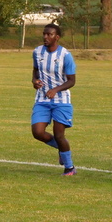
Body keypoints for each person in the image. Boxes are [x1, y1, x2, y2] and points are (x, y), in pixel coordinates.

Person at [31, 23, 77, 176]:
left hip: (61, 101)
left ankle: (69, 168)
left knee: (59, 135)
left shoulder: (65, 55)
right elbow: (35, 71)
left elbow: (72, 81)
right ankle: (61, 148)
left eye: (49, 34)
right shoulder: (37, 52)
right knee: (37, 132)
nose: (45, 37)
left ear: (57, 37)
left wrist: (56, 90)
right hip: (42, 99)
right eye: (44, 34)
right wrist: (34, 81)